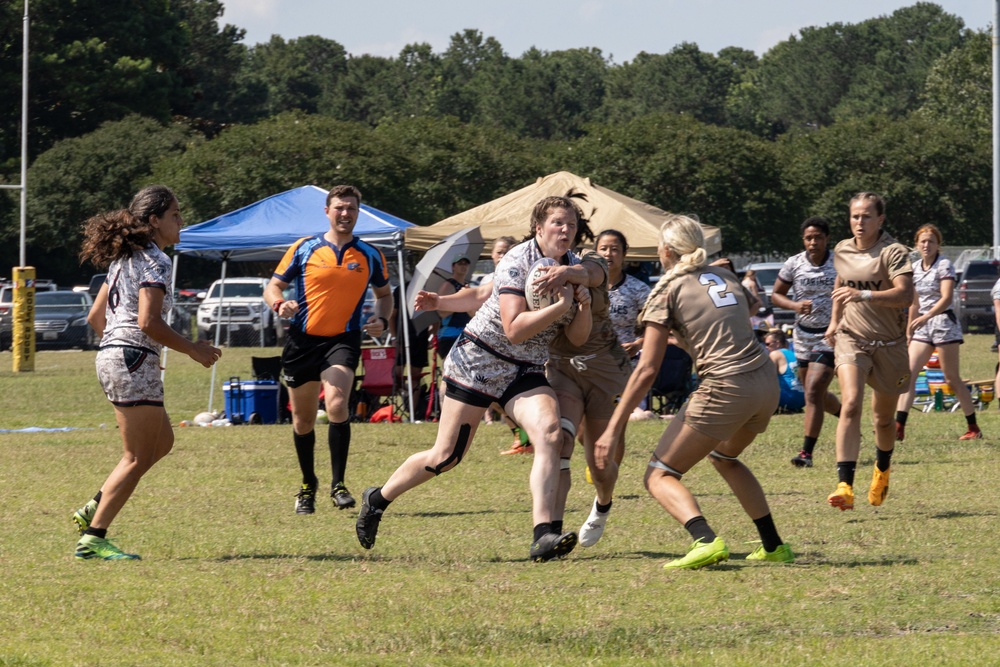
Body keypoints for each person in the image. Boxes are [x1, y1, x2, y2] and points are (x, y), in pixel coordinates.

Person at [355, 194, 604, 562]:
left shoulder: (573, 266)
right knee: (446, 457)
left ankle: (544, 536)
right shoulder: (519, 261)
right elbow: (514, 328)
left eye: (571, 224)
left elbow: (578, 338)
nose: (565, 230)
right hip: (478, 362)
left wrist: (581, 304)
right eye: (557, 223)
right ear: (538, 227)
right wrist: (561, 306)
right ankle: (377, 499)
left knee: (551, 433)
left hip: (525, 369)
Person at [593, 214, 794, 569]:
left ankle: (705, 540)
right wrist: (691, 340)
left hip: (726, 387)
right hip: (765, 384)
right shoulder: (726, 274)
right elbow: (748, 309)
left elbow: (646, 369)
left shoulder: (666, 292)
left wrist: (611, 430)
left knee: (658, 474)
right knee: (725, 458)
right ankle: (774, 545)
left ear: (667, 250)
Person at [73, 185, 222, 560]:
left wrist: (120, 350)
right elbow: (149, 321)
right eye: (175, 214)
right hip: (131, 357)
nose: (181, 221)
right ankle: (93, 538)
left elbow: (96, 318)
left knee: (162, 443)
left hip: (118, 355)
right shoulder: (156, 261)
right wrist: (193, 349)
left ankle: (96, 504)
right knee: (136, 457)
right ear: (154, 221)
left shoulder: (123, 259)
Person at [264, 184, 392, 515]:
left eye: (351, 208)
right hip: (302, 340)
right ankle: (308, 485)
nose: (345, 213)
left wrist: (382, 319)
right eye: (339, 208)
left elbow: (385, 296)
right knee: (303, 420)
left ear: (357, 212)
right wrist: (279, 304)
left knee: (337, 404)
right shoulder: (305, 248)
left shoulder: (370, 254)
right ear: (327, 211)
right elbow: (273, 286)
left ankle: (339, 485)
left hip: (342, 339)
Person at [824, 192, 914, 512]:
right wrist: (834, 321)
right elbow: (840, 283)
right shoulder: (842, 248)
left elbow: (905, 295)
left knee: (883, 421)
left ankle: (882, 469)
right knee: (850, 403)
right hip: (852, 338)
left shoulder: (893, 252)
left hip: (889, 344)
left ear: (880, 219)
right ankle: (845, 485)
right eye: (854, 216)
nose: (859, 222)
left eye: (865, 216)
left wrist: (862, 296)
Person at [895, 224, 982, 440]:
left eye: (931, 241)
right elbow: (914, 303)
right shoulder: (914, 268)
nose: (926, 245)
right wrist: (909, 331)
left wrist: (926, 316)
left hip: (944, 324)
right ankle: (898, 428)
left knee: (952, 378)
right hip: (922, 327)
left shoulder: (944, 265)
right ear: (917, 244)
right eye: (923, 241)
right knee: (909, 376)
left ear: (937, 244)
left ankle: (973, 427)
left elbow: (946, 298)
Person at [771, 217, 842, 468]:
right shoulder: (794, 263)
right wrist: (794, 305)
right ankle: (846, 416)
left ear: (827, 238)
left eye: (818, 237)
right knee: (816, 395)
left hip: (831, 335)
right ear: (803, 240)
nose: (813, 242)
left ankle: (806, 453)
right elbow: (776, 295)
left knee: (812, 391)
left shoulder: (840, 262)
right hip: (802, 335)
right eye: (808, 238)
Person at [436, 254, 473, 358]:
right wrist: (460, 301)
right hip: (449, 335)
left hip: (465, 334)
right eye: (460, 264)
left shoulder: (466, 286)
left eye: (466, 264)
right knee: (450, 370)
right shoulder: (448, 285)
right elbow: (441, 312)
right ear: (453, 267)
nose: (463, 266)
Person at [763, 329, 806, 413]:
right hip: (802, 400)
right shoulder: (795, 354)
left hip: (786, 400)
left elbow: (766, 379)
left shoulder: (775, 354)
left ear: (777, 343)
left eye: (768, 344)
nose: (766, 347)